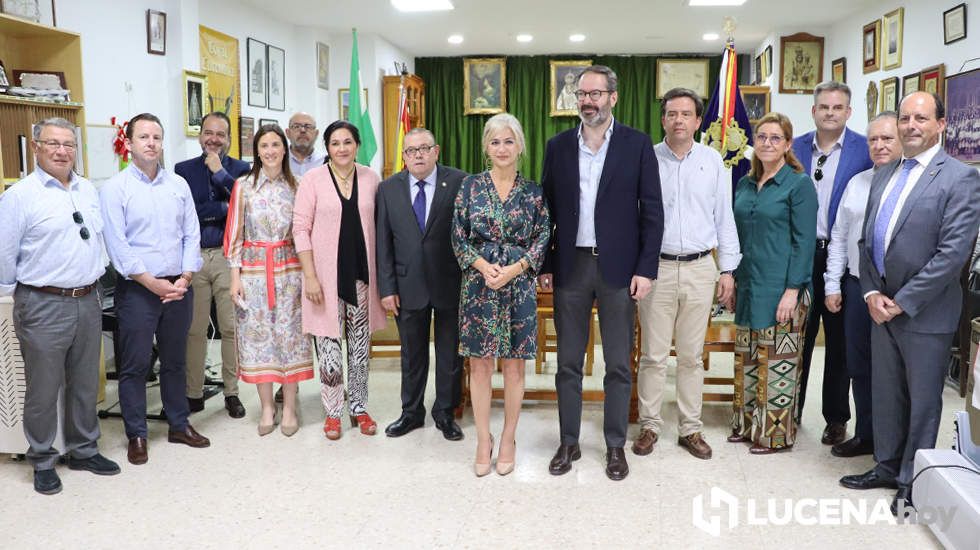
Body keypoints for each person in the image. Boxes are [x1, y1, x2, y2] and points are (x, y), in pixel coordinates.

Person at [840, 92, 980, 516]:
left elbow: (952, 254)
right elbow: (866, 242)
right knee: (886, 394)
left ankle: (912, 479)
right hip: (880, 307)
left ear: (941, 124)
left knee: (922, 400)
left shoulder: (960, 178)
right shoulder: (884, 173)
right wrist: (870, 293)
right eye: (904, 118)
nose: (910, 125)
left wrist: (901, 301)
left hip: (925, 313)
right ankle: (885, 465)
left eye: (921, 117)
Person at [540, 65, 663, 481]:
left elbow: (652, 212)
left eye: (596, 93)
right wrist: (545, 265)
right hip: (571, 267)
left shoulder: (637, 145)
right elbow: (547, 213)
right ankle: (568, 441)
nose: (588, 101)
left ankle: (614, 446)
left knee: (617, 365)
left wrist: (646, 269)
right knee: (568, 362)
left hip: (619, 271)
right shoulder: (557, 146)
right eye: (582, 94)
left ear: (613, 97)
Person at [0, 117, 120, 494]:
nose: (62, 151)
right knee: (43, 386)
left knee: (85, 381)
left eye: (68, 144)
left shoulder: (87, 189)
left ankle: (83, 449)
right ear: (36, 147)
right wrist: (9, 297)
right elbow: (4, 254)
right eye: (53, 143)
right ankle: (42, 457)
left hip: (87, 299)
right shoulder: (19, 196)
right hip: (42, 303)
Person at [632, 88, 741, 461]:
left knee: (693, 356)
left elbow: (724, 217)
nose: (678, 120)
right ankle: (649, 425)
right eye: (671, 114)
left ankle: (690, 429)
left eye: (686, 114)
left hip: (700, 268)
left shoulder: (713, 162)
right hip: (656, 269)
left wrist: (727, 268)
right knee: (653, 356)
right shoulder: (647, 159)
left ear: (698, 121)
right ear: (663, 119)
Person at [101, 113, 210, 465]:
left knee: (175, 361)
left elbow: (191, 233)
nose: (151, 143)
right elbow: (118, 246)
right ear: (129, 143)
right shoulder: (115, 188)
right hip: (138, 290)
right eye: (144, 137)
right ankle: (137, 434)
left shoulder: (177, 185)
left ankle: (179, 424)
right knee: (135, 365)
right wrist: (152, 282)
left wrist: (186, 278)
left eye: (157, 137)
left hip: (179, 287)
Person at [452, 114, 551, 476]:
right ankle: (483, 438)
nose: (502, 148)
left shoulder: (534, 192)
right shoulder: (470, 188)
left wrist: (515, 268)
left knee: (513, 365)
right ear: (486, 148)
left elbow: (543, 238)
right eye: (495, 142)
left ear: (520, 145)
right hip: (478, 286)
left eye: (509, 141)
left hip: (519, 285)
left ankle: (508, 437)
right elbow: (458, 235)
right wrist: (481, 265)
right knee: (479, 365)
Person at [293, 120, 387, 440]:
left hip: (362, 275)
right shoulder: (313, 180)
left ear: (357, 145)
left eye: (347, 142)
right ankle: (333, 412)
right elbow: (300, 230)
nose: (342, 148)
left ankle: (359, 406)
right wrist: (310, 276)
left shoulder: (372, 178)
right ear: (327, 147)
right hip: (324, 277)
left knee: (359, 347)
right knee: (329, 345)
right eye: (335, 143)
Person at [730, 112, 817, 454]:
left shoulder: (798, 184)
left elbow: (804, 241)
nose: (767, 143)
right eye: (762, 137)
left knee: (777, 363)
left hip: (782, 289)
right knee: (748, 359)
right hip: (749, 285)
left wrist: (793, 290)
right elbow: (736, 235)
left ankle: (774, 436)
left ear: (788, 145)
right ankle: (747, 425)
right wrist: (734, 280)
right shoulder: (745, 184)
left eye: (775, 138)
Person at [791, 81, 873, 446]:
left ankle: (836, 418)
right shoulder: (793, 147)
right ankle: (790, 411)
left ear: (848, 112)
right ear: (813, 111)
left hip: (839, 254)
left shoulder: (864, 150)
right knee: (796, 338)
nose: (829, 112)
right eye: (823, 106)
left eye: (837, 107)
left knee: (839, 343)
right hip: (799, 253)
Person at [376, 128, 468, 441]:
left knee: (450, 355)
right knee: (412, 355)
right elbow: (383, 243)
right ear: (403, 156)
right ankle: (411, 413)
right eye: (411, 150)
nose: (418, 155)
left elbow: (468, 233)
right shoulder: (388, 189)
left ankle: (445, 413)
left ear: (436, 151)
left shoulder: (459, 182)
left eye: (424, 148)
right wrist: (387, 288)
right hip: (406, 285)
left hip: (450, 283)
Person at [225, 124, 313, 436]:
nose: (271, 151)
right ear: (256, 151)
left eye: (276, 145)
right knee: (258, 339)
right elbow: (234, 236)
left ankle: (289, 407)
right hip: (253, 275)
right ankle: (266, 407)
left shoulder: (299, 185)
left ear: (284, 149)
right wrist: (235, 278)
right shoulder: (243, 186)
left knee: (290, 339)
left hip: (290, 273)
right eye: (264, 145)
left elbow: (306, 233)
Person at [822, 112, 902, 458]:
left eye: (887, 139)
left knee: (896, 371)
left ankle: (894, 444)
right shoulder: (857, 183)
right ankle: (866, 435)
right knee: (859, 366)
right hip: (856, 287)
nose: (879, 146)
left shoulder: (912, 183)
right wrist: (832, 284)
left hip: (899, 294)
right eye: (873, 140)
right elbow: (839, 236)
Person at [175, 111, 251, 419]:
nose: (214, 139)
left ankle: (231, 392)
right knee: (194, 329)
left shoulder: (242, 169)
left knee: (231, 328)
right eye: (209, 132)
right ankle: (193, 392)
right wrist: (219, 209)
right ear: (199, 135)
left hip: (227, 256)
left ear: (229, 138)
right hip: (193, 257)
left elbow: (243, 203)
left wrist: (220, 173)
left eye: (220, 134)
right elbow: (186, 211)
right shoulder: (182, 170)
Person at [286, 112, 325, 177]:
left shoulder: (326, 162)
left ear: (316, 134)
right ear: (288, 133)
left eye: (308, 127)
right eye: (296, 126)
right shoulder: (279, 161)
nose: (302, 130)